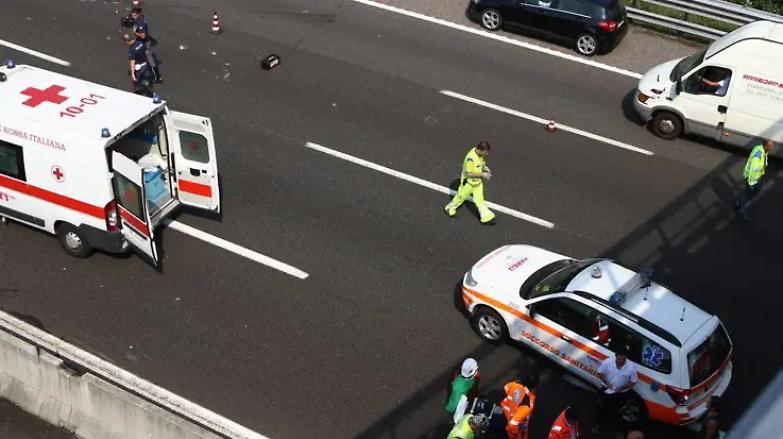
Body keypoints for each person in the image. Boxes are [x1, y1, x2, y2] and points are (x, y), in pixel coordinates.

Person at [444, 141, 496, 225]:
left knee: (480, 200)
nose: (486, 154)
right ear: (480, 150)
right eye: (485, 152)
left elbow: (480, 162)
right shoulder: (470, 159)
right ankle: (449, 209)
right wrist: (482, 174)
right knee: (460, 198)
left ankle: (486, 217)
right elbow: (469, 173)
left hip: (477, 182)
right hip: (468, 183)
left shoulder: (479, 154)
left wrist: (485, 167)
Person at [597, 346, 638, 434]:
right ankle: (599, 426)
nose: (619, 361)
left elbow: (633, 381)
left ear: (626, 358)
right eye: (618, 358)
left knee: (618, 412)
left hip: (620, 394)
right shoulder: (607, 362)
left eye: (622, 359)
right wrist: (606, 383)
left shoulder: (631, 368)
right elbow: (600, 373)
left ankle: (616, 430)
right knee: (603, 409)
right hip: (606, 390)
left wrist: (622, 388)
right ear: (616, 356)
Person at [734, 140, 773, 222]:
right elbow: (753, 168)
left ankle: (738, 202)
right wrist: (751, 182)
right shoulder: (759, 154)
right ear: (765, 146)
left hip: (754, 177)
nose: (772, 148)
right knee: (751, 197)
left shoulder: (761, 150)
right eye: (770, 146)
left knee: (747, 193)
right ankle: (743, 212)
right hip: (753, 179)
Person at [500, 374, 538, 439]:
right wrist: (525, 427)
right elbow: (512, 425)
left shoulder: (516, 385)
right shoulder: (528, 405)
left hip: (504, 413)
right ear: (535, 387)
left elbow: (506, 387)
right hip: (513, 429)